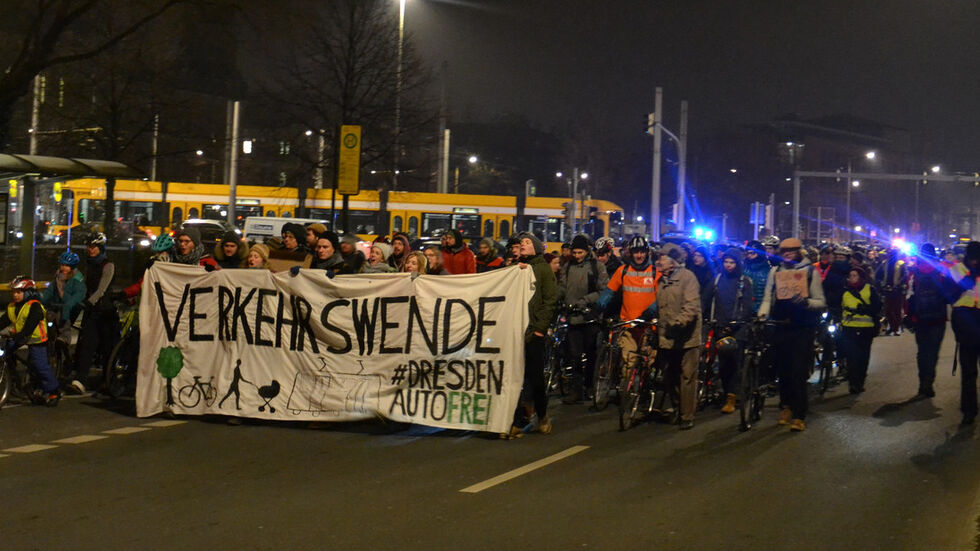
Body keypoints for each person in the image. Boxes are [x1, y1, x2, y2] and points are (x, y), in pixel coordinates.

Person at [758, 237, 827, 432]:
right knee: (783, 371)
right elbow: (767, 297)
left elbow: (820, 301)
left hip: (802, 327)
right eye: (784, 251)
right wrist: (762, 315)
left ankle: (799, 414)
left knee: (798, 371)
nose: (787, 254)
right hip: (781, 326)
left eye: (791, 251)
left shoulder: (810, 271)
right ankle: (785, 406)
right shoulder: (775, 271)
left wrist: (806, 303)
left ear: (799, 251)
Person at [502, 232, 557, 439]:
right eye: (521, 243)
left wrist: (540, 328)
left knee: (535, 378)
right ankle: (516, 421)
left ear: (536, 247)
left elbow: (550, 300)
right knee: (514, 377)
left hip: (533, 332)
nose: (523, 245)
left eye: (527, 242)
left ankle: (542, 415)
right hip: (515, 331)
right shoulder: (516, 269)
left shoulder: (543, 269)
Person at [654, 243, 703, 429]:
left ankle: (687, 415)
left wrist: (678, 323)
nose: (658, 262)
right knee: (670, 375)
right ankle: (676, 407)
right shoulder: (662, 280)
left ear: (672, 261)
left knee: (687, 377)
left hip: (687, 337)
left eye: (662, 258)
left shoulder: (688, 278)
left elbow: (691, 306)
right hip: (668, 336)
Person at [557, 234, 609, 404]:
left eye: (580, 252)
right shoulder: (567, 267)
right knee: (575, 356)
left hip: (590, 317)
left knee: (591, 354)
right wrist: (558, 298)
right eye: (575, 252)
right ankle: (576, 390)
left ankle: (590, 386)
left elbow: (603, 290)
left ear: (587, 252)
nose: (577, 256)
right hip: (573, 318)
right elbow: (562, 287)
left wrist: (585, 301)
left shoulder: (597, 267)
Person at [71, 232, 121, 394]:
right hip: (91, 311)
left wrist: (89, 301)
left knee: (107, 348)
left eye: (94, 247)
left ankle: (108, 380)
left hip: (105, 312)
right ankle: (81, 380)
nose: (90, 250)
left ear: (101, 248)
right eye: (89, 247)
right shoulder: (89, 264)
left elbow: (102, 289)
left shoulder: (108, 265)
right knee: (87, 345)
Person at [706, 248, 754, 414]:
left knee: (735, 362)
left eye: (732, 262)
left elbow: (747, 307)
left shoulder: (744, 281)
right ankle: (727, 392)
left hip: (738, 328)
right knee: (724, 363)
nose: (728, 265)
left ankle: (732, 396)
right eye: (726, 262)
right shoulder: (717, 279)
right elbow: (707, 300)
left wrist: (736, 322)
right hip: (721, 327)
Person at [0, 277, 61, 405]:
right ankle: (11, 379)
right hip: (20, 336)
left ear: (28, 292)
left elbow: (31, 323)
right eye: (14, 292)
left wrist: (21, 334)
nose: (15, 295)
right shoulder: (12, 306)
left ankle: (53, 390)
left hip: (36, 339)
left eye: (19, 292)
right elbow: (4, 321)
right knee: (3, 350)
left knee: (40, 365)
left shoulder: (34, 306)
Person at [906, 243, 954, 397]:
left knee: (922, 351)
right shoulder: (941, 271)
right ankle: (929, 383)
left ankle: (923, 384)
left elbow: (909, 296)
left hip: (920, 319)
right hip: (938, 319)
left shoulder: (913, 272)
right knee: (933, 352)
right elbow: (950, 295)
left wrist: (909, 316)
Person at [948, 242, 980, 424]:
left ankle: (969, 409)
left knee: (969, 371)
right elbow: (950, 295)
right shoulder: (957, 270)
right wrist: (968, 278)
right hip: (966, 325)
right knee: (968, 372)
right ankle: (969, 409)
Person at [840, 266, 881, 394]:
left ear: (861, 277)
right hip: (849, 328)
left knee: (863, 357)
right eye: (850, 276)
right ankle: (853, 383)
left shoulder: (869, 289)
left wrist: (865, 310)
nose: (852, 278)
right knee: (851, 357)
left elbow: (877, 307)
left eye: (855, 275)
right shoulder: (845, 291)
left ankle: (860, 381)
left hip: (865, 329)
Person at [41, 251, 86, 325]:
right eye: (62, 265)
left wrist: (64, 317)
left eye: (67, 266)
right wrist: (40, 301)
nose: (63, 268)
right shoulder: (58, 277)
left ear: (72, 267)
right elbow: (50, 290)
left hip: (69, 311)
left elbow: (76, 298)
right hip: (56, 307)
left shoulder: (77, 280)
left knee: (63, 329)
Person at [876, 248, 908, 335]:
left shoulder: (901, 263)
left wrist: (898, 284)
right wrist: (882, 284)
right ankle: (894, 327)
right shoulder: (885, 263)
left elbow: (905, 276)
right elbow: (878, 275)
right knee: (888, 311)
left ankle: (895, 328)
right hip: (888, 290)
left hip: (898, 290)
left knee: (897, 310)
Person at [743, 240, 772, 315]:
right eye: (748, 253)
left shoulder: (769, 270)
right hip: (746, 310)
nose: (749, 256)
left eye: (752, 253)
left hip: (764, 311)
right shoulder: (744, 269)